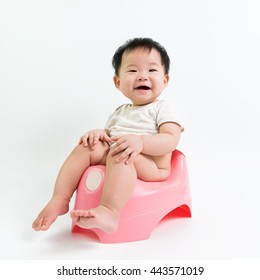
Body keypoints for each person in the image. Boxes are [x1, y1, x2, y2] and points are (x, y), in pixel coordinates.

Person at [32, 37, 183, 233]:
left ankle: (110, 212)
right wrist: (100, 134)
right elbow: (111, 136)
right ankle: (59, 199)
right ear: (118, 82)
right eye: (133, 70)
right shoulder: (120, 111)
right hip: (119, 155)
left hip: (153, 167)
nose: (142, 76)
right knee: (88, 147)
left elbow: (171, 139)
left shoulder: (163, 108)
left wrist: (141, 142)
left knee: (120, 152)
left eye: (152, 70)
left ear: (165, 80)